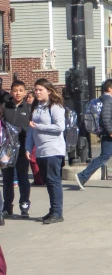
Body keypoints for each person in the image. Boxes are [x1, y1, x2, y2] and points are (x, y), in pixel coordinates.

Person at [73, 79, 112, 190]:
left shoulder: (108, 100)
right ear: (109, 89)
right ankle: (82, 176)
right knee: (104, 157)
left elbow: (109, 114)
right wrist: (111, 131)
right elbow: (105, 117)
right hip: (110, 134)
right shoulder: (108, 100)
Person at [25, 79, 67, 223]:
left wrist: (39, 127)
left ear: (49, 91)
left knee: (54, 181)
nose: (37, 92)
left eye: (40, 89)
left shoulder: (55, 106)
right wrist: (28, 147)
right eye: (36, 89)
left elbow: (60, 127)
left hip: (53, 149)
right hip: (41, 150)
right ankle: (52, 210)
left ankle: (57, 212)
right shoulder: (36, 107)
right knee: (48, 182)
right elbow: (31, 128)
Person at [2, 80, 32, 218]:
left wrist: (22, 129)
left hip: (22, 146)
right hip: (6, 149)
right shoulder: (4, 107)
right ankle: (7, 207)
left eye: (20, 90)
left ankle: (24, 204)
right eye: (15, 90)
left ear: (25, 92)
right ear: (11, 91)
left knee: (23, 177)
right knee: (7, 178)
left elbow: (32, 126)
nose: (18, 93)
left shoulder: (29, 108)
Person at [25, 89, 43, 186]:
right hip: (31, 136)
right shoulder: (28, 108)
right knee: (33, 160)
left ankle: (40, 180)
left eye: (30, 97)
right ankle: (38, 179)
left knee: (34, 160)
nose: (28, 99)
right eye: (27, 97)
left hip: (38, 137)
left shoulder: (37, 109)